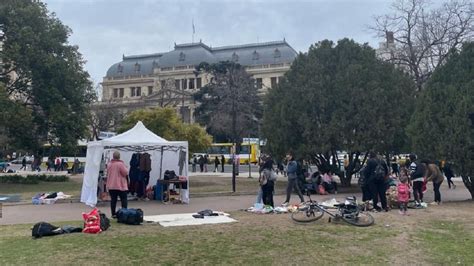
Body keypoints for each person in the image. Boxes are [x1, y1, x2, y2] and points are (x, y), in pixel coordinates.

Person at [106, 151, 129, 218]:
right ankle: (124, 213)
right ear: (119, 157)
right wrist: (126, 167)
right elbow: (125, 173)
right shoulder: (120, 164)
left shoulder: (109, 164)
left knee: (113, 200)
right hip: (120, 186)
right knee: (124, 199)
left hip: (111, 185)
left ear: (113, 156)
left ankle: (113, 214)